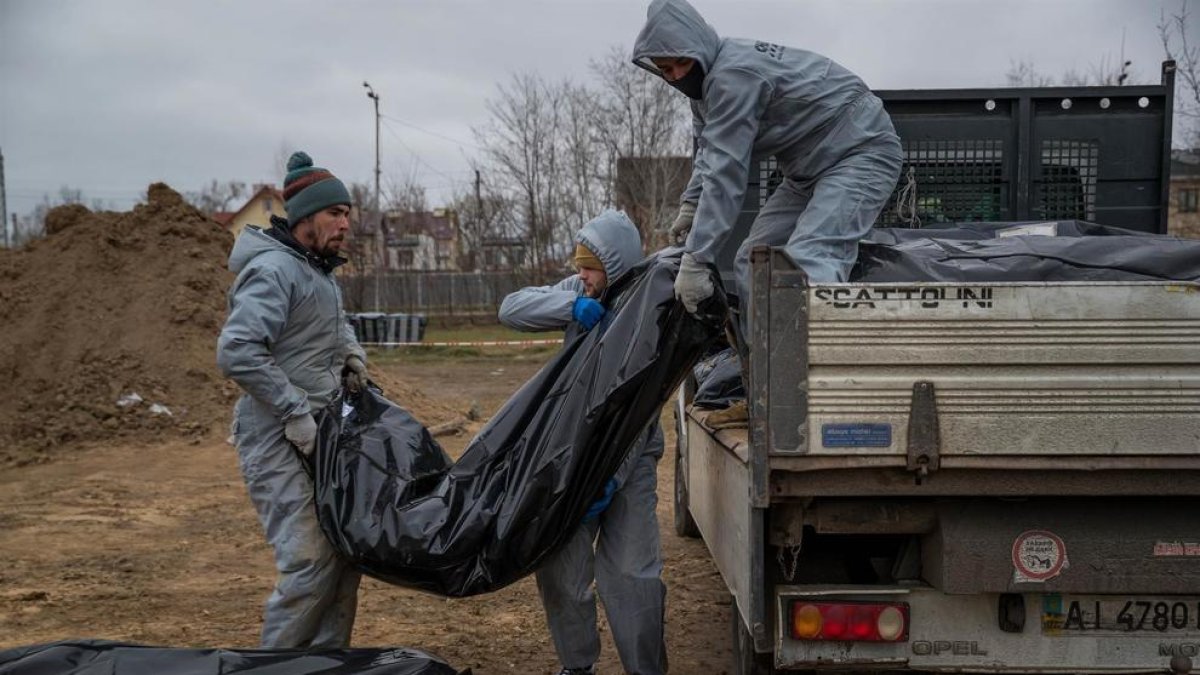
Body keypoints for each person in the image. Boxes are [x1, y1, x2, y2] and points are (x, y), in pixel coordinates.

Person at [632, 0, 904, 422]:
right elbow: (709, 153)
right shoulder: (703, 90)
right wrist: (690, 204)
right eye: (665, 71)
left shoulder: (733, 76)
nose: (674, 77)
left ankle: (822, 402)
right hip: (808, 169)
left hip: (860, 150)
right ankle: (767, 393)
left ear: (699, 49)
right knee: (753, 260)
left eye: (679, 65)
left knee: (811, 258)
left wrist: (698, 258)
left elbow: (727, 174)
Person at [498, 210, 667, 675]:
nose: (581, 276)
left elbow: (642, 410)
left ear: (614, 264)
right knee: (560, 572)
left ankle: (645, 669)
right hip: (572, 461)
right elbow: (509, 308)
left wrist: (609, 478)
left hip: (628, 466)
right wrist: (568, 307)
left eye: (590, 268)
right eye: (579, 266)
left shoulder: (650, 306)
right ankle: (577, 666)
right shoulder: (580, 292)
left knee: (634, 575)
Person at [217, 151, 370, 648]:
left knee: (344, 558)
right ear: (305, 218)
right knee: (310, 562)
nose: (345, 223)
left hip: (317, 434)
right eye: (335, 213)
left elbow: (333, 326)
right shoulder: (274, 271)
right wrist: (293, 409)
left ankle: (324, 664)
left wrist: (351, 356)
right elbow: (237, 350)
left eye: (347, 213)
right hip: (275, 437)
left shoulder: (318, 272)